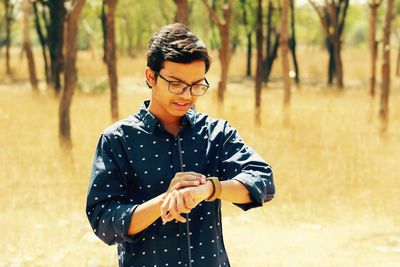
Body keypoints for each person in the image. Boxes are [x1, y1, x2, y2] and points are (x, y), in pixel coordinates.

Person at [86, 23, 275, 267]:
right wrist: (166, 200)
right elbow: (104, 220)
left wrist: (209, 189)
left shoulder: (216, 133)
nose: (187, 95)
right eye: (176, 84)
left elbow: (263, 181)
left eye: (197, 85)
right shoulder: (118, 139)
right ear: (150, 76)